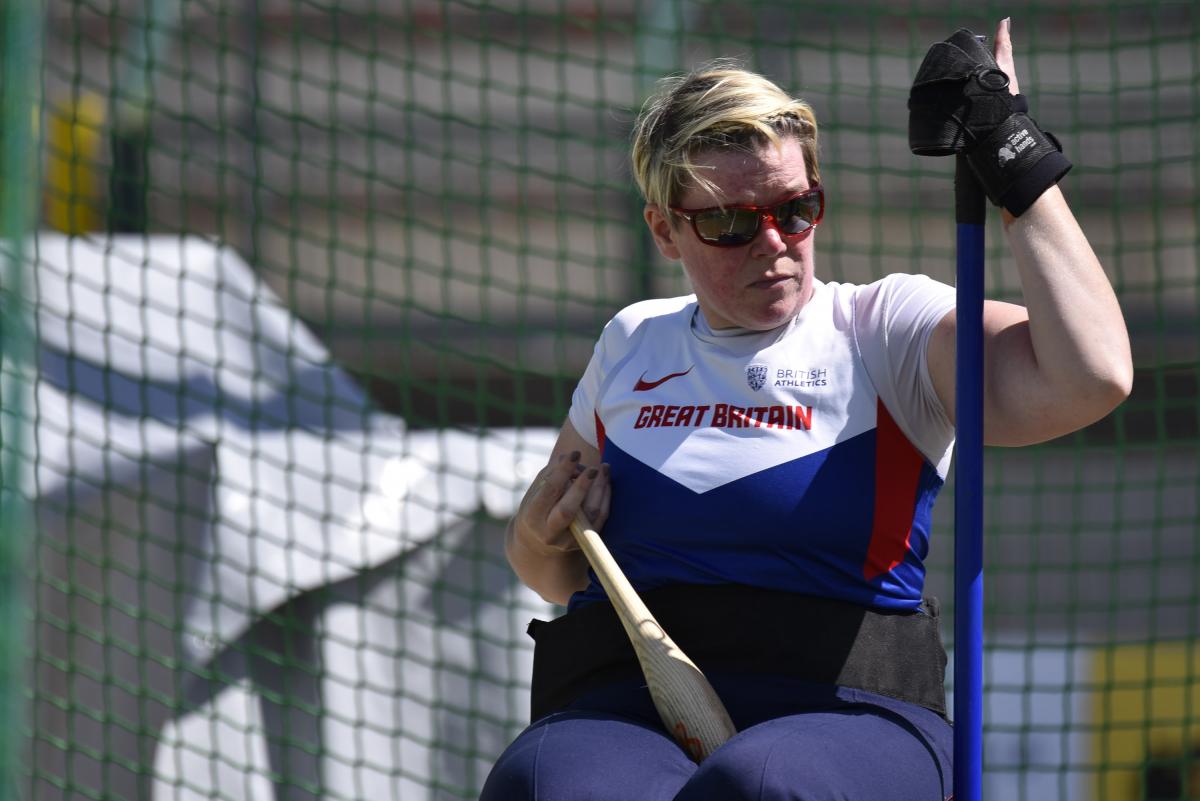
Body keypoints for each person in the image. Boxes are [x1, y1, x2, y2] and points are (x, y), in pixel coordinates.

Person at [481, 19, 1132, 801]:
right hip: (632, 704)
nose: (773, 243)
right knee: (546, 784)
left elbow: (1092, 375)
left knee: (757, 786)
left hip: (851, 712)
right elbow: (552, 570)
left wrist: (1016, 162)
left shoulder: (886, 327)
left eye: (795, 209)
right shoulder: (631, 342)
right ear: (664, 229)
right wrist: (534, 530)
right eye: (729, 222)